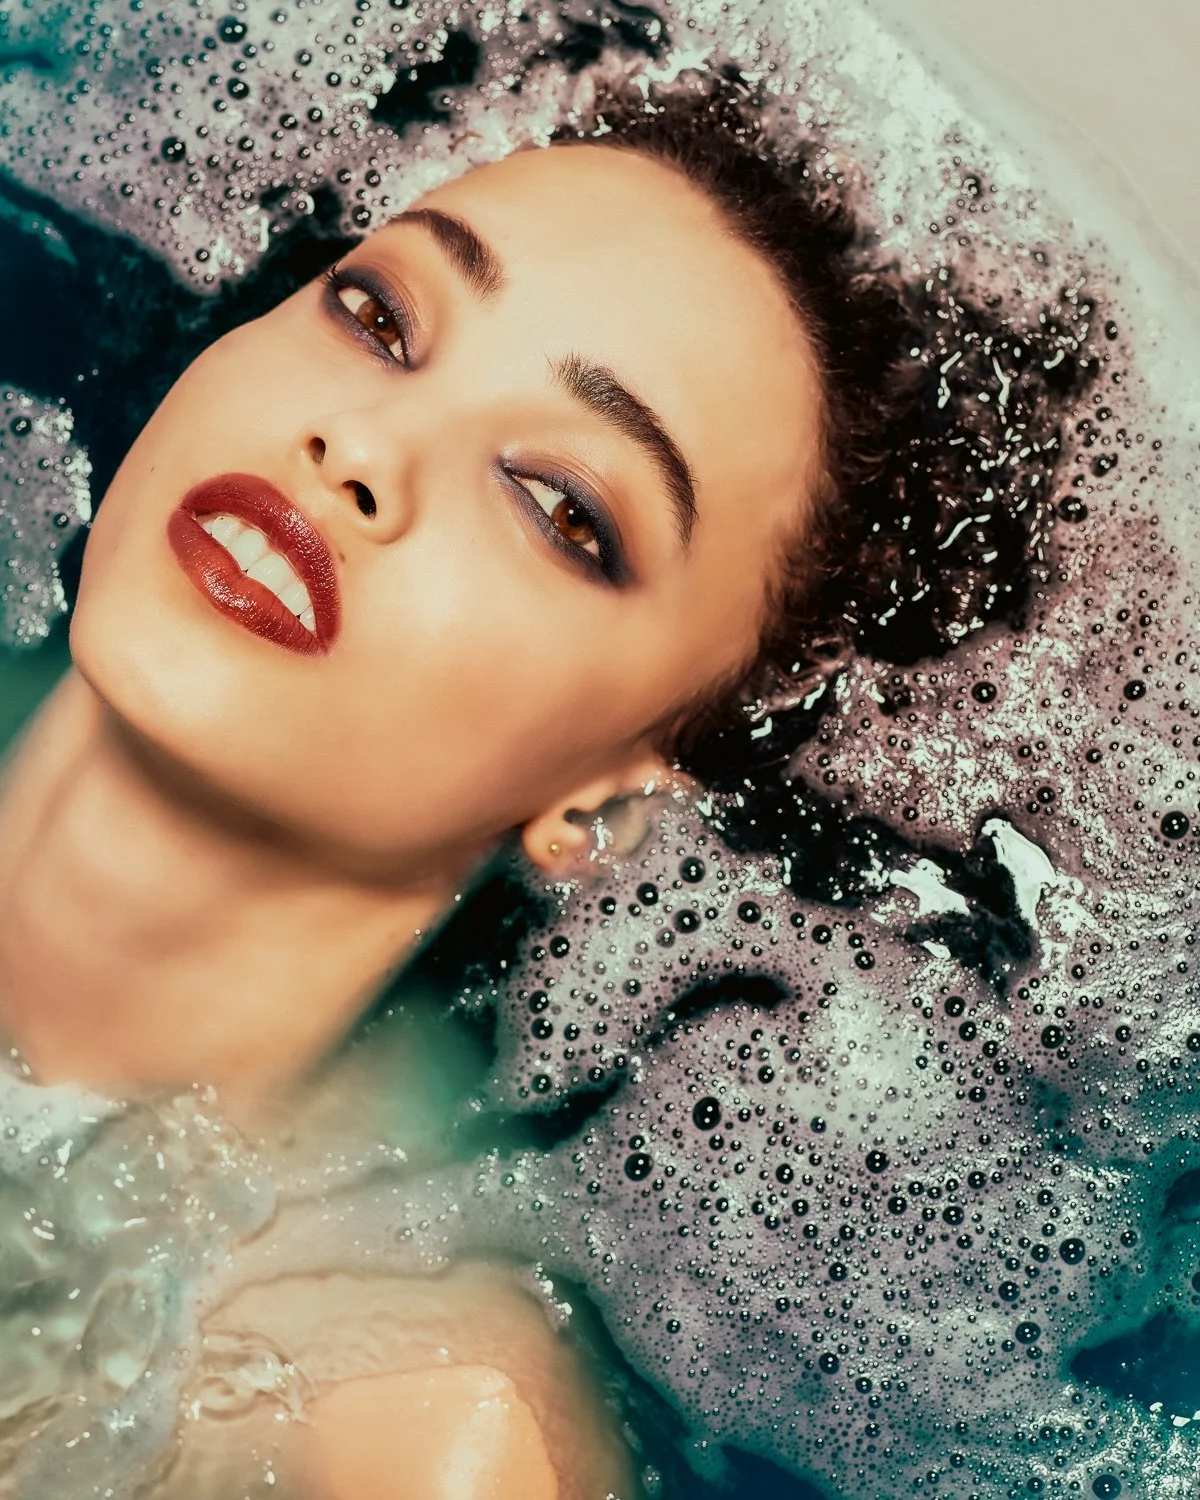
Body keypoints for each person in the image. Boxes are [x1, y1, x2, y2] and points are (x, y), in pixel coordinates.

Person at [0, 73, 1079, 1500]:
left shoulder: (407, 1421)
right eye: (380, 316)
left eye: (562, 506)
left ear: (609, 793)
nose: (363, 452)